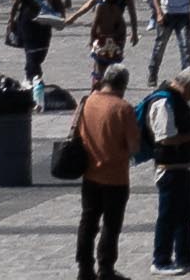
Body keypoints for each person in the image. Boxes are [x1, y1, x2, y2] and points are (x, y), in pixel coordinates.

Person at [143, 64, 190, 274]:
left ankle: (185, 257)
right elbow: (165, 138)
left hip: (181, 167)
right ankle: (161, 259)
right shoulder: (164, 101)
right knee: (168, 215)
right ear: (189, 86)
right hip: (169, 168)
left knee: (185, 214)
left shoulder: (176, 100)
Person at [75, 62, 141, 280]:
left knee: (88, 222)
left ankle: (84, 269)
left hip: (90, 173)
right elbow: (134, 147)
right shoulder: (123, 108)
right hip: (115, 177)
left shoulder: (87, 101)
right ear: (123, 84)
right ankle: (105, 269)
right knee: (111, 226)